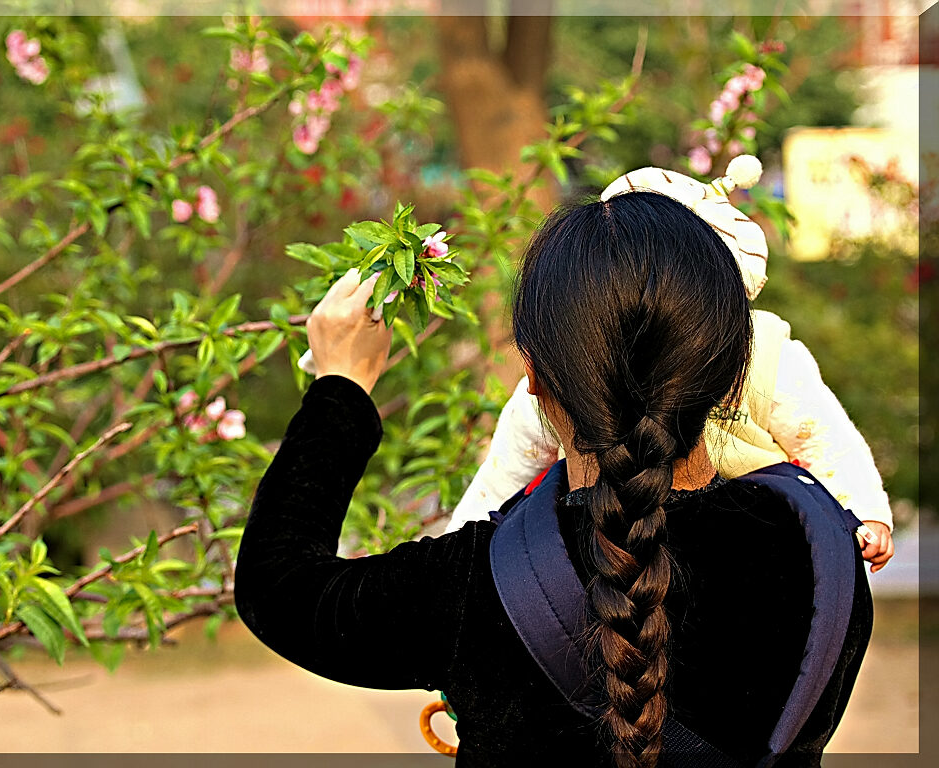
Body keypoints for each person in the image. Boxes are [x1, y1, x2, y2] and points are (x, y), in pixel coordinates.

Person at [234, 192, 872, 766]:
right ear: (737, 363)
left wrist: (340, 389)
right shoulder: (820, 548)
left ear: (534, 377)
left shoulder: (475, 586)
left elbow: (279, 587)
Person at [446, 157, 894, 573]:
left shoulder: (769, 355)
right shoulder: (571, 365)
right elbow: (505, 468)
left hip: (728, 524)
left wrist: (864, 511)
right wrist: (465, 535)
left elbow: (829, 442)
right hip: (730, 541)